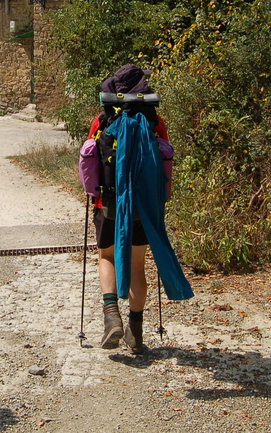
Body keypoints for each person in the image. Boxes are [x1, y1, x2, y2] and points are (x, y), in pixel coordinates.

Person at [88, 65, 169, 354]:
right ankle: (135, 333)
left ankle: (112, 316)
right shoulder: (155, 122)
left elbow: (90, 166)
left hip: (108, 204)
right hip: (143, 208)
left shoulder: (102, 120)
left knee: (106, 256)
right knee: (137, 266)